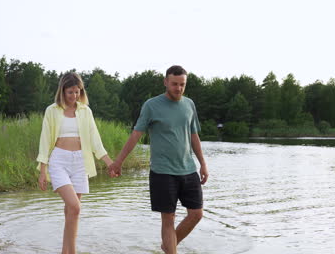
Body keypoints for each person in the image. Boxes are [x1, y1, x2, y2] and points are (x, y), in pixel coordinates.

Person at [109, 65, 209, 254]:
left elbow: (194, 136)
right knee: (168, 219)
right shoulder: (151, 105)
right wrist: (118, 161)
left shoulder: (189, 104)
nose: (178, 88)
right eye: (174, 84)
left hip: (188, 169)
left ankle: (168, 246)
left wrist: (203, 163)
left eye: (182, 84)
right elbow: (136, 135)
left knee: (196, 214)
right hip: (162, 172)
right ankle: (170, 249)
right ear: (165, 82)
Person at [36, 72, 113, 254]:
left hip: (80, 162)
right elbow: (45, 141)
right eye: (70, 92)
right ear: (62, 91)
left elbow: (95, 139)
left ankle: (67, 251)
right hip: (59, 161)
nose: (74, 96)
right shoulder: (52, 110)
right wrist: (42, 171)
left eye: (77, 92)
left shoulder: (85, 111)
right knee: (75, 207)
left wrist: (109, 162)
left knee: (72, 212)